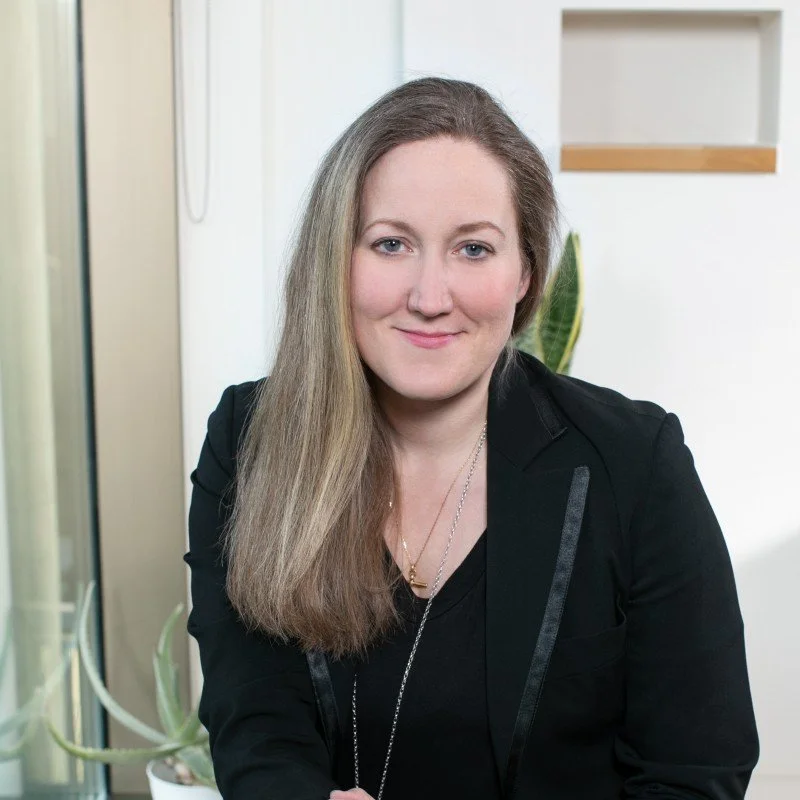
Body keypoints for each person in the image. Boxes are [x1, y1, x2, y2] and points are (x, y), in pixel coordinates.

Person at [184, 77, 759, 800]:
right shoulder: (249, 441)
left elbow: (695, 772)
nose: (430, 297)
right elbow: (255, 721)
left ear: (525, 273)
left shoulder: (635, 463)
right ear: (335, 260)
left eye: (474, 249)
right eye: (391, 243)